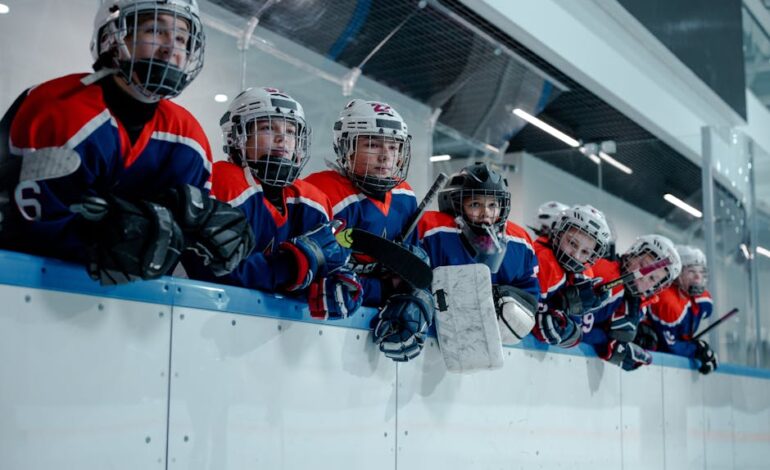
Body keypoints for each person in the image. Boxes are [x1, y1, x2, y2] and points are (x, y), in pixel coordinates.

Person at [0, 0, 253, 284]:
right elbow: (24, 229)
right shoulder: (58, 111)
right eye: (155, 31)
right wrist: (107, 240)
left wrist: (206, 235)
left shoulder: (188, 137)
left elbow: (173, 246)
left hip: (135, 311)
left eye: (182, 38)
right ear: (113, 38)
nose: (172, 48)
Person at [202, 87, 358, 319]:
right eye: (267, 128)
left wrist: (342, 285)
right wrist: (292, 263)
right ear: (236, 136)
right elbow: (217, 271)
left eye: (291, 131)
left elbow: (324, 275)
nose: (282, 139)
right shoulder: (220, 182)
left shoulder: (312, 201)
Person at [304, 99, 432, 362]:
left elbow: (412, 269)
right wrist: (385, 290)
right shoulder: (318, 192)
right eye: (372, 145)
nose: (386, 156)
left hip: (377, 329)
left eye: (394, 147)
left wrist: (416, 297)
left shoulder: (405, 195)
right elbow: (317, 280)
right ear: (345, 147)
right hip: (320, 336)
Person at [419, 162, 540, 343]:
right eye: (475, 204)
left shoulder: (520, 243)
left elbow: (530, 297)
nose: (486, 213)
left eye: (493, 205)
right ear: (456, 205)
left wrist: (503, 297)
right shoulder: (432, 231)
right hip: (435, 337)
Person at [589, 234, 682, 371]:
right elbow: (577, 329)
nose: (643, 278)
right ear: (632, 254)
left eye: (652, 279)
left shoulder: (639, 304)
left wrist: (623, 348)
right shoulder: (602, 271)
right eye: (642, 266)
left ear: (657, 286)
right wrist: (605, 342)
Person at [531, 204, 612, 348]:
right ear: (559, 234)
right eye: (572, 243)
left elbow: (579, 331)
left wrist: (568, 330)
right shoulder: (540, 258)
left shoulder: (585, 274)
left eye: (585, 252)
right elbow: (529, 316)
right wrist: (559, 306)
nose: (576, 255)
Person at [643, 245, 717, 374]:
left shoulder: (703, 299)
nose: (698, 277)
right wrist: (696, 350)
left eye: (701, 272)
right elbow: (670, 347)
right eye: (692, 271)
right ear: (678, 273)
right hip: (653, 359)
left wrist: (701, 350)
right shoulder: (667, 300)